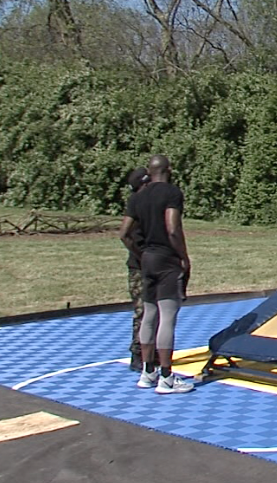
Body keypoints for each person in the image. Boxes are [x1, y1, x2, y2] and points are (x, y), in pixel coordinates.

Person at [119, 155, 194, 394]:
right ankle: (167, 377)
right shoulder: (171, 193)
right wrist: (183, 256)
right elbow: (172, 228)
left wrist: (140, 253)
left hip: (147, 260)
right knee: (168, 317)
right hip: (166, 259)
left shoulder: (137, 197)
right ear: (168, 170)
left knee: (149, 315)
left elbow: (124, 233)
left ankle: (147, 371)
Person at [124, 167, 152, 372]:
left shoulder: (144, 203)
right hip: (139, 266)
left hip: (149, 263)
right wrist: (141, 256)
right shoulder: (136, 203)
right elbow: (124, 234)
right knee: (142, 311)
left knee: (153, 311)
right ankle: (137, 352)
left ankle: (150, 352)